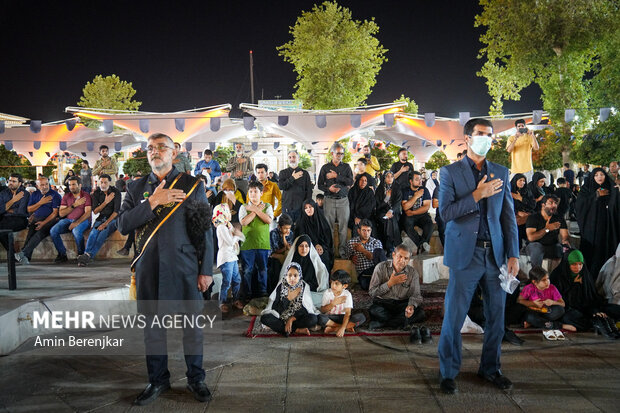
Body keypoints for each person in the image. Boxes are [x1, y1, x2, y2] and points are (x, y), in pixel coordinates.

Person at [117, 132, 214, 405]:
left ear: (174, 153)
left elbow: (203, 231)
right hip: (149, 268)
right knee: (153, 329)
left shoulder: (192, 185)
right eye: (150, 148)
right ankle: (157, 379)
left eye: (161, 147)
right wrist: (153, 202)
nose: (155, 152)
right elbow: (123, 225)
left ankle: (196, 379)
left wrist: (205, 270)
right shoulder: (135, 189)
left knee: (191, 328)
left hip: (183, 268)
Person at [437, 118, 519, 394]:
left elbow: (508, 218)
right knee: (455, 316)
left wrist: (513, 254)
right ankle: (448, 372)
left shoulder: (501, 172)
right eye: (481, 134)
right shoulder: (449, 173)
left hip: (495, 255)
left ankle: (490, 368)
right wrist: (476, 195)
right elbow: (445, 213)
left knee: (496, 316)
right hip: (465, 255)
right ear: (468, 138)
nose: (486, 139)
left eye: (490, 135)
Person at [550, 250, 620, 339]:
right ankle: (598, 322)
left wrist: (595, 311)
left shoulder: (584, 274)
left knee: (616, 309)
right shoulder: (557, 276)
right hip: (569, 309)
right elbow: (563, 302)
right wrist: (574, 285)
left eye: (580, 264)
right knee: (570, 318)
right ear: (567, 263)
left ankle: (600, 320)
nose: (578, 268)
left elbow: (591, 298)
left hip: (587, 309)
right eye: (574, 264)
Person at [576, 168, 620, 279]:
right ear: (592, 177)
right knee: (593, 255)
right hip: (591, 229)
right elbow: (580, 206)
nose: (599, 177)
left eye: (602, 174)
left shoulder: (611, 188)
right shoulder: (586, 189)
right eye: (596, 175)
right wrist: (596, 195)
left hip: (608, 227)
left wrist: (617, 193)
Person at [368, 244, 425, 329]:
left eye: (406, 258)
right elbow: (372, 292)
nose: (402, 260)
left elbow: (416, 295)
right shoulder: (380, 267)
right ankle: (401, 322)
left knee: (420, 313)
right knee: (373, 310)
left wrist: (411, 306)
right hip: (383, 303)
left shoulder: (412, 273)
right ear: (393, 255)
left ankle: (384, 323)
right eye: (400, 256)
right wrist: (390, 283)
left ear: (409, 259)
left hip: (402, 304)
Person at [260, 262, 320, 337]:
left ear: (300, 276)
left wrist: (291, 319)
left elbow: (306, 309)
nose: (292, 278)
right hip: (280, 317)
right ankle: (296, 330)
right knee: (265, 318)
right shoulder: (281, 286)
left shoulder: (304, 287)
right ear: (286, 275)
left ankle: (285, 329)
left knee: (313, 319)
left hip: (296, 319)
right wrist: (285, 319)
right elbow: (275, 305)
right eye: (289, 275)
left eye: (295, 275)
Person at [317, 142, 353, 258]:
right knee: (329, 228)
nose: (340, 156)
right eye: (338, 153)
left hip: (343, 201)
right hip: (329, 200)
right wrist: (329, 189)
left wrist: (336, 176)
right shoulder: (325, 168)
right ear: (332, 153)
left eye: (342, 154)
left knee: (343, 229)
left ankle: (342, 253)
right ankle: (330, 252)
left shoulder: (346, 167)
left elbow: (350, 182)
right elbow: (319, 185)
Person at [15, 176, 62, 264]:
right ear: (37, 186)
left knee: (39, 234)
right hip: (36, 218)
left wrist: (43, 223)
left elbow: (55, 213)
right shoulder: (35, 194)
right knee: (30, 234)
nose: (45, 186)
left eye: (46, 184)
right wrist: (40, 203)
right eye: (42, 185)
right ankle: (26, 258)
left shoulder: (55, 195)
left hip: (50, 220)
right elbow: (29, 209)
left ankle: (23, 254)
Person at [517, 266, 571, 340]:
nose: (547, 282)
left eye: (548, 278)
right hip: (534, 312)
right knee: (529, 316)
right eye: (543, 280)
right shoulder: (529, 288)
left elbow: (563, 304)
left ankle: (534, 323)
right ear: (534, 282)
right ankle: (558, 325)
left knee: (560, 310)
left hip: (547, 313)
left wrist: (552, 302)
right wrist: (533, 303)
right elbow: (520, 301)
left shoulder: (552, 288)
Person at [77, 174, 121, 266]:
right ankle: (87, 255)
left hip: (113, 219)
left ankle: (88, 256)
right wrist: (106, 202)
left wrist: (105, 224)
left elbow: (116, 212)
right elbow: (96, 211)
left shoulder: (116, 192)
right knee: (93, 233)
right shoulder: (96, 193)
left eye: (105, 182)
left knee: (103, 233)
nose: (103, 184)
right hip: (101, 218)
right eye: (101, 182)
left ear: (110, 182)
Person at [239, 180, 273, 299]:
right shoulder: (243, 207)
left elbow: (268, 220)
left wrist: (256, 209)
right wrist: (256, 210)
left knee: (263, 270)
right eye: (251, 191)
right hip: (247, 245)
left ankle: (262, 293)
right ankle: (247, 294)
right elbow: (244, 222)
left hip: (263, 244)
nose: (253, 194)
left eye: (256, 191)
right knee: (247, 270)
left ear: (261, 193)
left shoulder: (268, 206)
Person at [49, 176, 92, 263]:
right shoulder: (66, 196)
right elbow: (61, 213)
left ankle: (81, 255)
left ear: (79, 185)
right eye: (70, 185)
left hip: (83, 221)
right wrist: (74, 205)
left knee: (76, 231)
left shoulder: (85, 196)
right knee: (53, 231)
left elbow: (87, 213)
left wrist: (76, 222)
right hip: (68, 220)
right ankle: (62, 254)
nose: (71, 187)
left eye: (74, 184)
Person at [279, 234, 329, 307]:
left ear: (310, 247)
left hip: (310, 293)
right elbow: (285, 282)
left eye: (306, 246)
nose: (304, 249)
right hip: (293, 292)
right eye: (301, 246)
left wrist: (304, 288)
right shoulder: (291, 263)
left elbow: (318, 283)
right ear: (297, 247)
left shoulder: (315, 263)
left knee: (323, 298)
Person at [212, 203, 244, 313]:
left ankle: (236, 299)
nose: (230, 214)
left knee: (237, 279)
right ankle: (222, 302)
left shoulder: (227, 225)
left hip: (232, 257)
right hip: (226, 257)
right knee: (227, 281)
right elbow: (230, 242)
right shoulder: (221, 227)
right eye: (228, 212)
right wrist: (237, 235)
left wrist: (236, 233)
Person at [525, 194, 570, 268]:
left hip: (552, 245)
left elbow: (564, 235)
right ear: (543, 205)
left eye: (555, 203)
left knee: (564, 249)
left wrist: (565, 240)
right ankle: (537, 275)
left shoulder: (559, 218)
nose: (554, 205)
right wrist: (547, 229)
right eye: (551, 203)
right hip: (534, 245)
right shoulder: (533, 217)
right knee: (537, 248)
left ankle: (560, 276)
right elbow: (531, 237)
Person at [318, 270, 366, 336]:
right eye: (332, 282)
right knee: (320, 317)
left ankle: (335, 328)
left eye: (336, 284)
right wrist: (333, 304)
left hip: (343, 318)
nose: (333, 286)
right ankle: (347, 327)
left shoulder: (347, 294)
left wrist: (342, 328)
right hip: (331, 318)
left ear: (345, 286)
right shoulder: (327, 293)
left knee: (361, 317)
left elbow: (347, 313)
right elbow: (323, 310)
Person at [294, 199, 334, 272]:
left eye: (310, 207)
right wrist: (314, 246)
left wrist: (322, 246)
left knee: (324, 256)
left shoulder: (322, 221)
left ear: (315, 207)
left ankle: (323, 282)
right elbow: (301, 238)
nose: (308, 209)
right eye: (306, 208)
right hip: (306, 248)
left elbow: (328, 239)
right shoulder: (301, 222)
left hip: (322, 247)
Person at [344, 219, 385, 291]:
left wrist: (362, 250)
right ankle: (382, 284)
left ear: (371, 231)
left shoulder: (376, 242)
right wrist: (351, 257)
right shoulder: (351, 242)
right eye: (364, 230)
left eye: (368, 230)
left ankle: (385, 277)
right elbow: (348, 255)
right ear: (359, 231)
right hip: (363, 273)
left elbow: (375, 257)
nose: (366, 233)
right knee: (366, 286)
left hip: (376, 269)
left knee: (379, 252)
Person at [401, 171, 433, 254]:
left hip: (421, 215)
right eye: (417, 179)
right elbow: (405, 206)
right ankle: (423, 245)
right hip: (409, 216)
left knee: (429, 225)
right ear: (411, 181)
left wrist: (413, 212)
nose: (420, 181)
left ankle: (422, 246)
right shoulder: (405, 190)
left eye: (421, 179)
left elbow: (426, 207)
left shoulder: (424, 190)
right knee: (407, 225)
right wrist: (416, 196)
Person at [278, 150, 313, 224]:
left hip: (301, 207)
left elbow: (309, 190)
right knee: (287, 230)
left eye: (294, 157)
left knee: (300, 229)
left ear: (298, 159)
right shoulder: (283, 173)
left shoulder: (305, 174)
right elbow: (281, 186)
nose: (292, 159)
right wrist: (292, 178)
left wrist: (307, 205)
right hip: (287, 207)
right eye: (290, 157)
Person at [0, 173, 30, 251]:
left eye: (14, 181)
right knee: (2, 231)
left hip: (20, 220)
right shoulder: (3, 193)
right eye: (10, 180)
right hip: (5, 219)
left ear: (19, 183)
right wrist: (13, 200)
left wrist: (6, 209)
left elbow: (21, 212)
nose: (11, 183)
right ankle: (12, 255)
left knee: (1, 229)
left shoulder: (24, 194)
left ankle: (12, 255)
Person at [374, 171, 402, 254]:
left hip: (394, 212)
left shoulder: (397, 188)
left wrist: (391, 211)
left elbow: (398, 203)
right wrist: (386, 198)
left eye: (391, 177)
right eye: (388, 177)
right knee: (387, 221)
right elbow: (378, 206)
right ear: (384, 178)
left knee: (390, 220)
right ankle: (392, 246)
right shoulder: (380, 189)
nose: (390, 179)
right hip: (382, 212)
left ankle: (388, 247)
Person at [268, 214, 294, 293]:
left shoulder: (290, 233)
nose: (287, 231)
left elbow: (289, 247)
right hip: (274, 254)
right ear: (279, 226)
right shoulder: (273, 233)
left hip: (284, 253)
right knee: (284, 256)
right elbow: (275, 250)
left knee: (287, 253)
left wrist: (284, 239)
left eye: (289, 228)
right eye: (285, 228)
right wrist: (283, 237)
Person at [509, 173, 535, 247]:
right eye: (520, 180)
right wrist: (517, 212)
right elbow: (506, 206)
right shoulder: (509, 192)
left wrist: (521, 198)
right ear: (515, 181)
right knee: (517, 236)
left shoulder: (527, 191)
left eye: (524, 181)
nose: (522, 182)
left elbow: (533, 205)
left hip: (527, 217)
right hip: (515, 218)